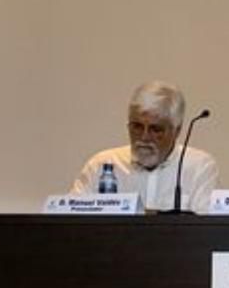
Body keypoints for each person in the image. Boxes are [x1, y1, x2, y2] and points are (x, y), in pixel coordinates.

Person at [70, 81, 219, 213]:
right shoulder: (102, 164)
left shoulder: (199, 167)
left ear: (176, 131)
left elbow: (205, 231)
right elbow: (70, 222)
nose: (144, 137)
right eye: (137, 126)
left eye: (155, 129)